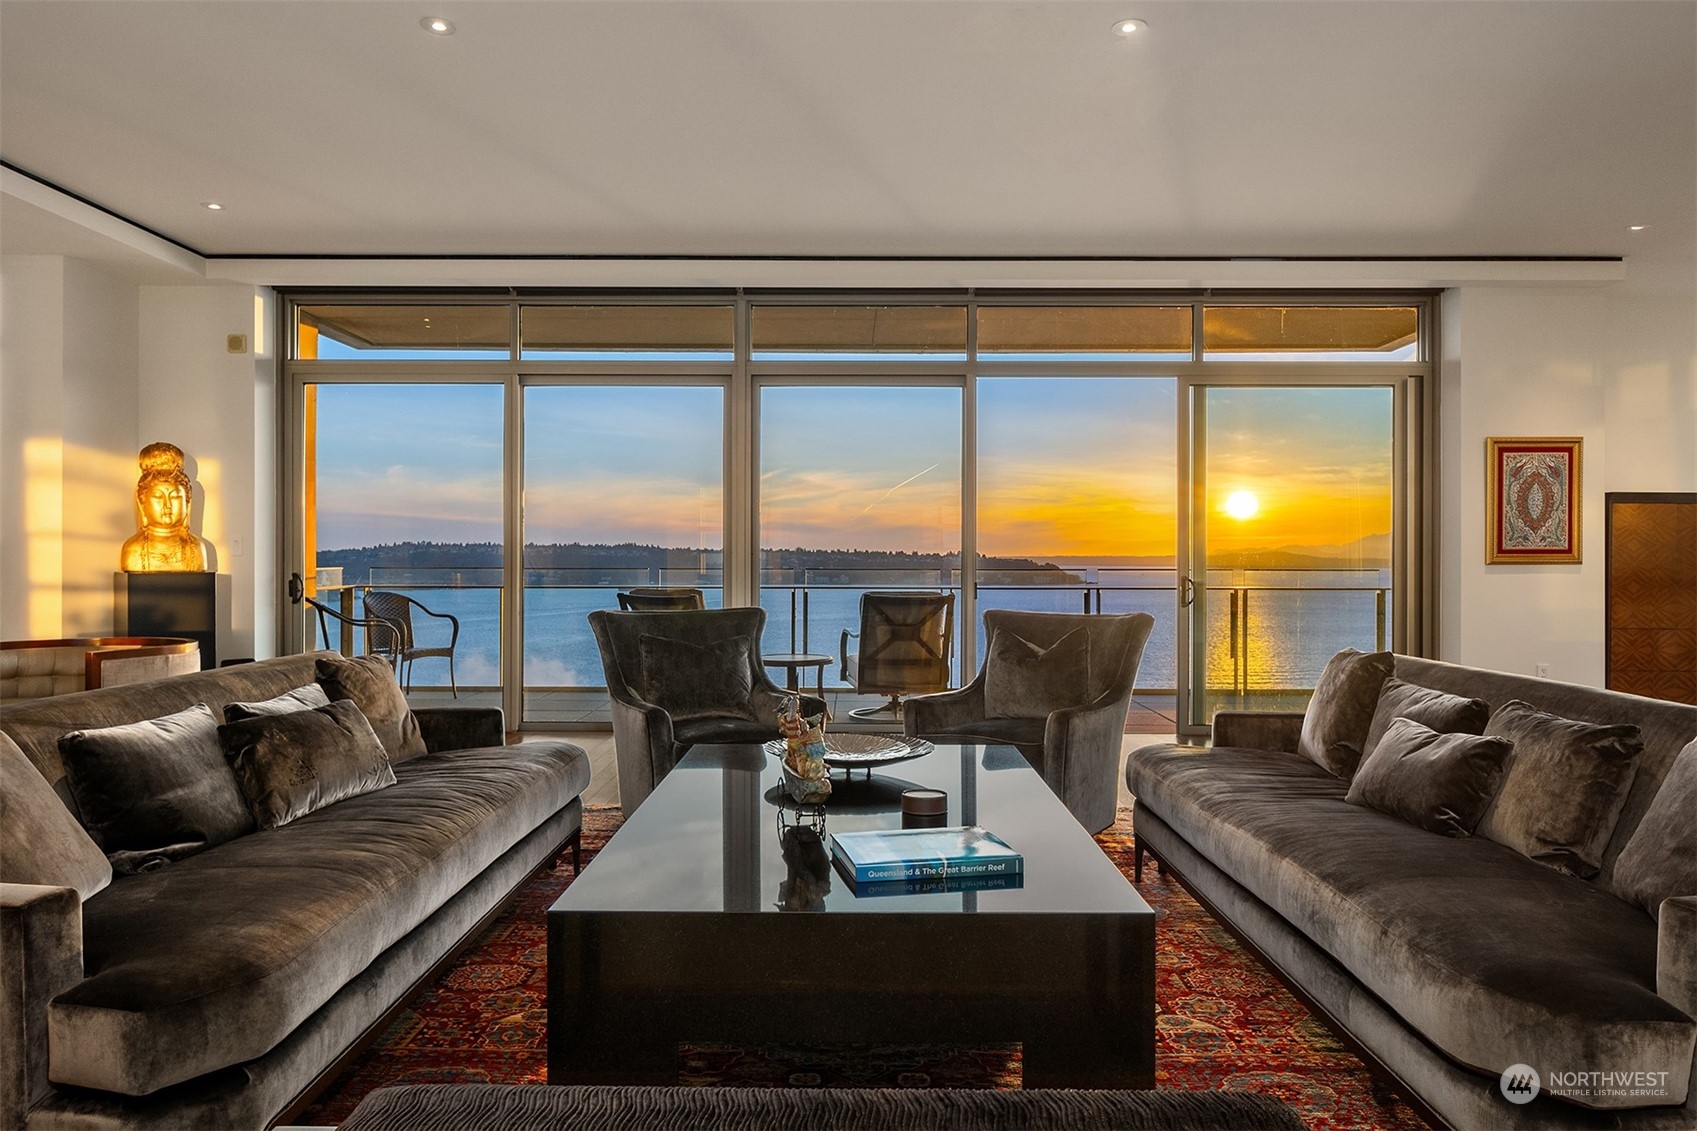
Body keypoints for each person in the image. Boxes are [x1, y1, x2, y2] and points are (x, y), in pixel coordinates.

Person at [120, 442, 206, 572]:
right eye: (158, 497)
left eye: (175, 497)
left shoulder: (196, 548)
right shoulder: (133, 549)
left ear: (187, 502)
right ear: (142, 502)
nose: (167, 505)